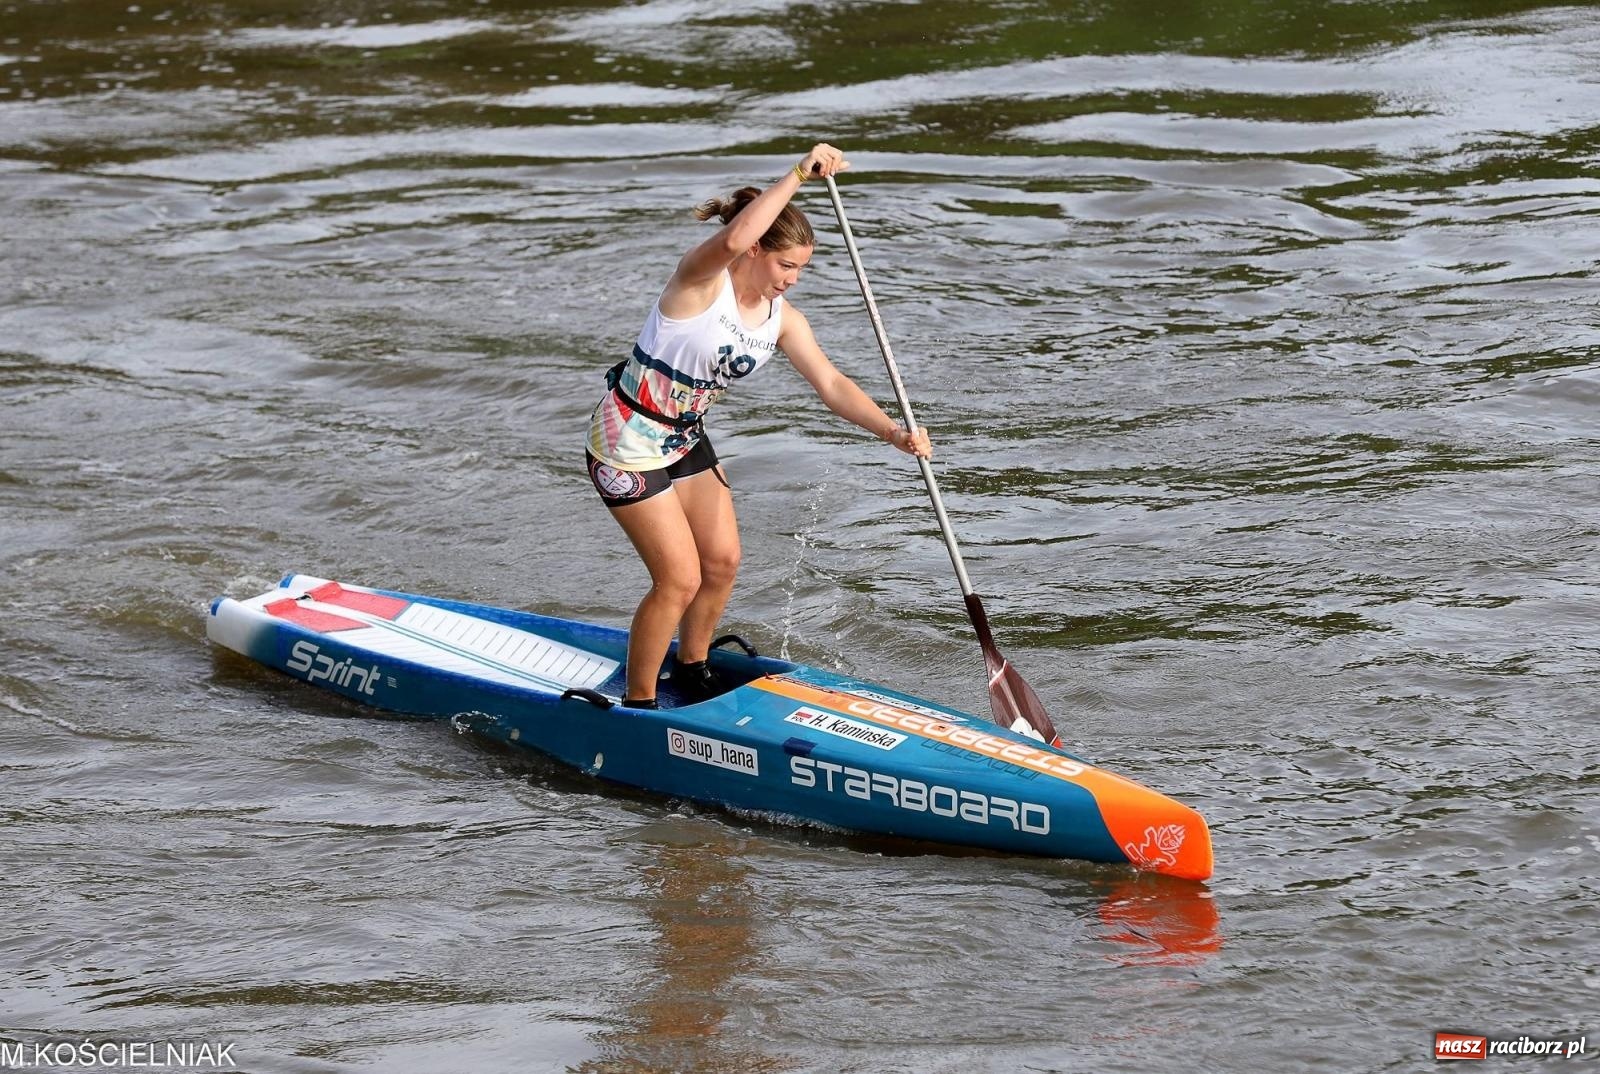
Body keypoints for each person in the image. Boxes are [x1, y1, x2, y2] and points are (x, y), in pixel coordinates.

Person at [585, 142, 933, 709]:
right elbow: (728, 241)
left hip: (683, 439)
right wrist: (798, 173)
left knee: (722, 563)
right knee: (679, 579)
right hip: (626, 440)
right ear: (754, 251)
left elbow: (832, 384)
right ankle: (639, 705)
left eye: (802, 269)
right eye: (785, 265)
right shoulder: (700, 283)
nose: (793, 279)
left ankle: (692, 668)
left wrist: (892, 432)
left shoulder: (782, 320)